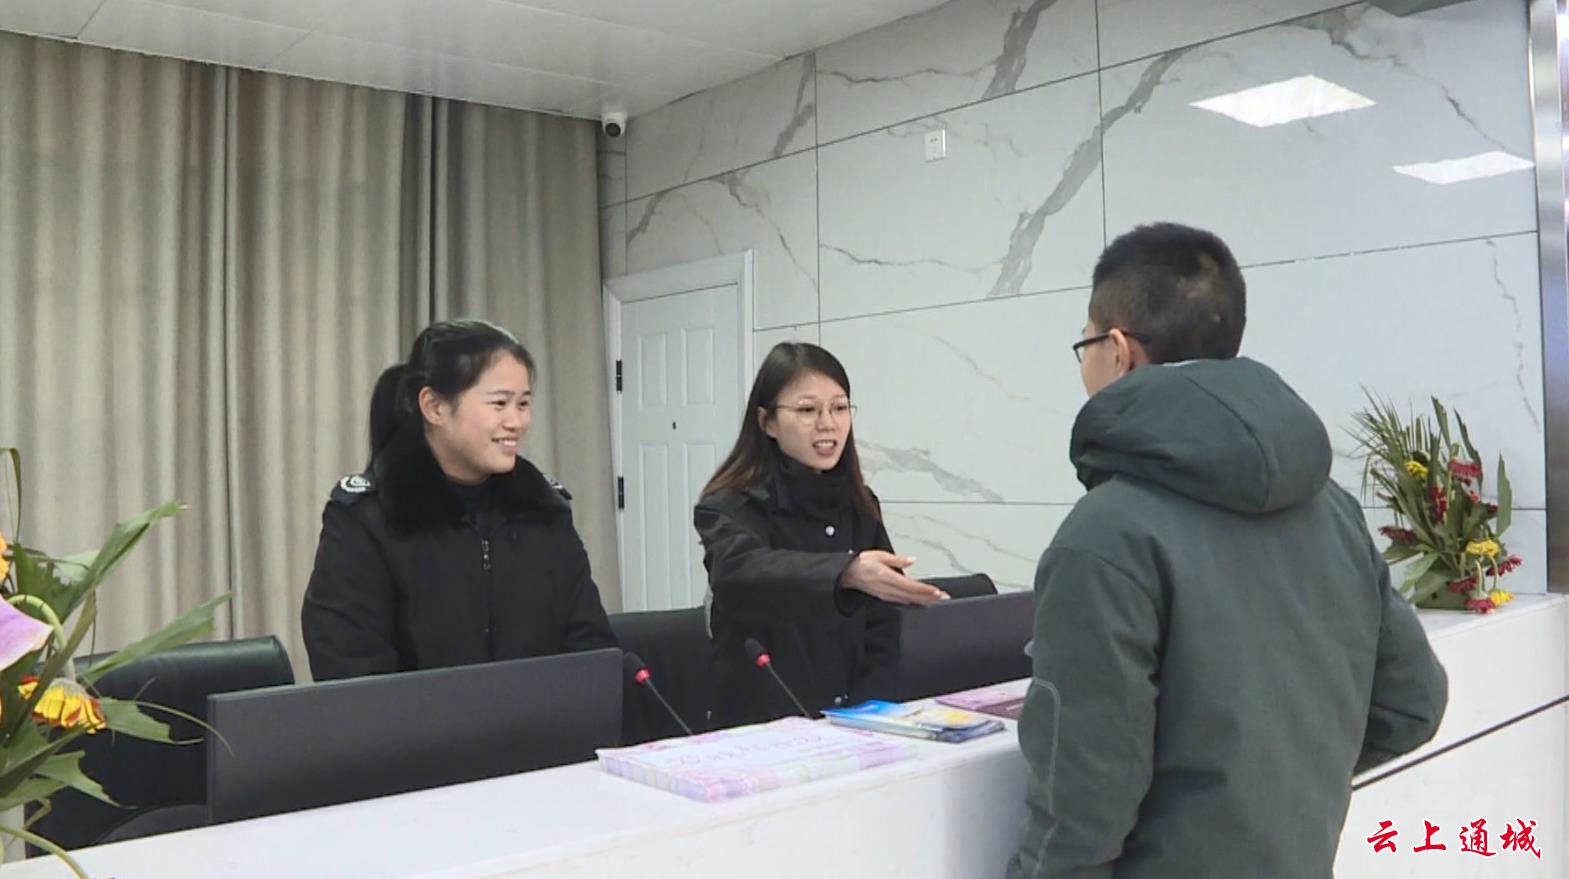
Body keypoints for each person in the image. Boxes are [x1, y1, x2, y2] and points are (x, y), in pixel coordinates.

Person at [1008, 223, 1448, 878]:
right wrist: (1277, 787)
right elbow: (1411, 704)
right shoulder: (1331, 508)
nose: (1083, 365)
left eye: (1085, 344)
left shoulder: (1104, 535)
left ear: (1118, 351)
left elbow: (1081, 804)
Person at [301, 319, 615, 681]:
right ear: (434, 407)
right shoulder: (367, 520)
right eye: (499, 403)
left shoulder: (544, 511)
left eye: (523, 403)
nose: (517, 421)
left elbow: (590, 647)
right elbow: (350, 668)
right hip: (417, 720)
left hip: (547, 716)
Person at [694, 342, 947, 728]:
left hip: (856, 722)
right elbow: (739, 573)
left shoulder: (859, 502)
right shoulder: (728, 504)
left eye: (839, 408)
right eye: (807, 410)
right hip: (762, 728)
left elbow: (883, 624)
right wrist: (846, 572)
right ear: (767, 422)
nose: (828, 423)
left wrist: (869, 712)